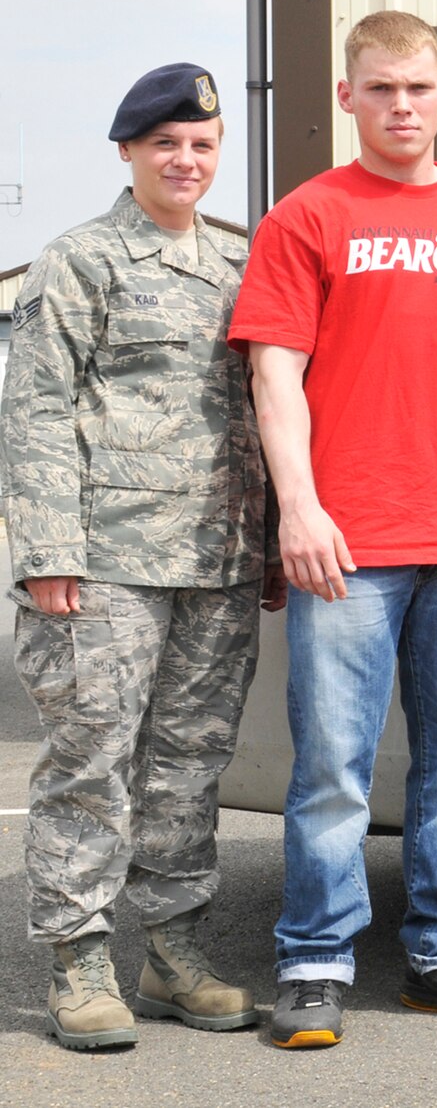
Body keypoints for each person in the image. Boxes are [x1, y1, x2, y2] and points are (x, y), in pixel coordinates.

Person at [229, 10, 437, 1049]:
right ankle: (315, 959)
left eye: (418, 88)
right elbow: (274, 371)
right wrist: (301, 506)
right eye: (381, 89)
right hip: (348, 539)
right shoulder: (305, 217)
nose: (401, 106)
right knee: (333, 761)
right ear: (347, 98)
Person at [2, 64, 275, 1050]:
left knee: (189, 762)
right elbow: (31, 405)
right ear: (130, 150)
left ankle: (173, 951)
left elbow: (266, 405)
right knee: (93, 758)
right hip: (105, 559)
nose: (186, 160)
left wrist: (274, 539)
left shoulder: (242, 262)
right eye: (167, 144)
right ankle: (79, 960)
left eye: (202, 145)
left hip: (218, 555)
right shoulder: (81, 260)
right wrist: (47, 547)